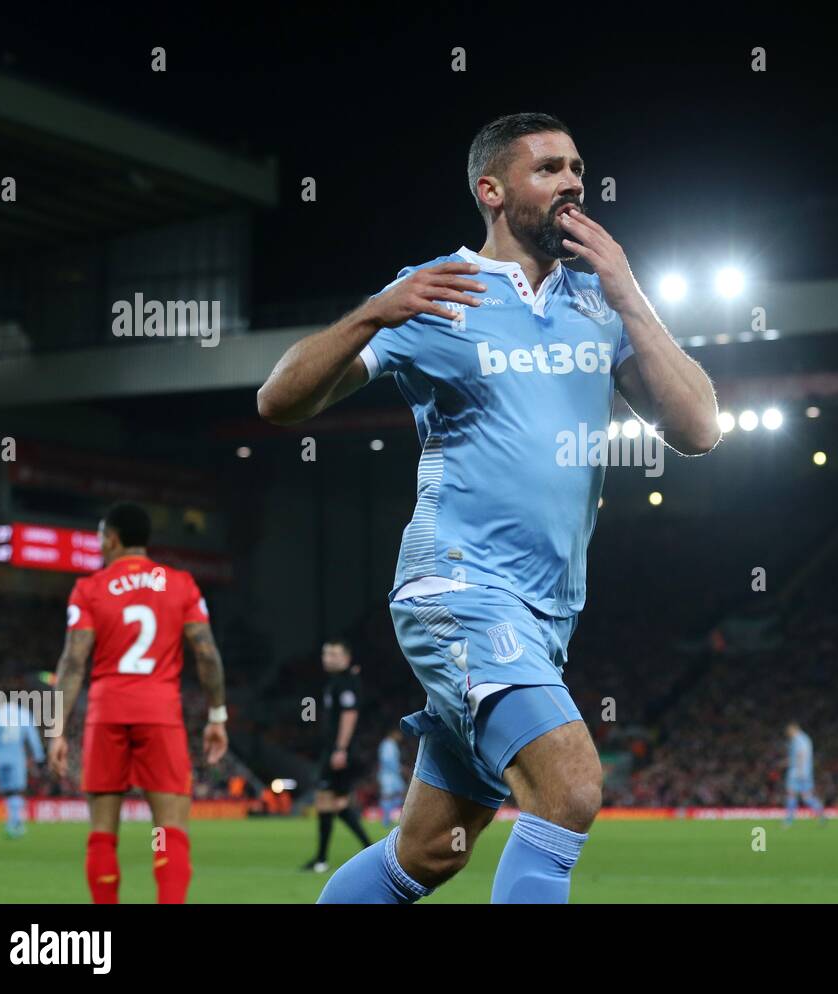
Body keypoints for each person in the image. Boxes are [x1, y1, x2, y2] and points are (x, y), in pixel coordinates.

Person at [259, 112, 719, 904]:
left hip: (547, 615)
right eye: (549, 168)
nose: (573, 181)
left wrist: (631, 294)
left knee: (430, 853)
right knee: (570, 787)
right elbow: (279, 401)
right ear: (493, 190)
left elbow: (699, 429)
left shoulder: (598, 303)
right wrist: (375, 312)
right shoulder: (438, 290)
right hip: (460, 588)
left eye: (578, 167)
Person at [48, 501, 228, 903]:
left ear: (112, 538)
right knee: (167, 832)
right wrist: (217, 716)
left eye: (99, 538)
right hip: (159, 714)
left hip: (106, 714)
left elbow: (73, 661)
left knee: (102, 834)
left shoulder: (89, 588)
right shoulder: (180, 583)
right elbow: (207, 654)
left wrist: (56, 729)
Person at [301, 639, 372, 871]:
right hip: (337, 749)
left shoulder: (345, 683)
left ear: (346, 658)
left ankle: (322, 859)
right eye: (325, 654)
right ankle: (369, 850)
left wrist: (340, 749)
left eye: (333, 654)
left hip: (340, 751)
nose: (327, 658)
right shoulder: (337, 682)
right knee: (338, 804)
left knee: (325, 800)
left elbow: (349, 715)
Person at [0, 678, 45, 838]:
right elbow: (32, 736)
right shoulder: (23, 714)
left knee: (7, 791)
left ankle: (12, 823)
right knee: (17, 790)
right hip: (16, 757)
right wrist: (39, 756)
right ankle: (15, 824)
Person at [784, 722, 826, 826]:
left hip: (797, 772)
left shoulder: (798, 740)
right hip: (806, 772)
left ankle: (789, 820)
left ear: (793, 730)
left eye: (789, 732)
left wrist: (798, 770)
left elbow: (801, 755)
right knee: (806, 797)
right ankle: (821, 815)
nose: (788, 734)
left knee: (791, 794)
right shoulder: (805, 739)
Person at [378, 728, 406, 828]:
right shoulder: (388, 744)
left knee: (400, 794)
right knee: (388, 796)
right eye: (399, 734)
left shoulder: (391, 744)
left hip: (393, 775)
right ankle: (386, 820)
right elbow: (388, 760)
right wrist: (399, 768)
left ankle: (392, 816)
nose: (400, 737)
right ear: (393, 733)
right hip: (389, 775)